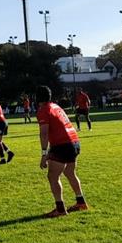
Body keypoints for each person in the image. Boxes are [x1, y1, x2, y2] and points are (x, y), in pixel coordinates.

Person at [36, 86, 87, 217]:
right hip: (74, 141)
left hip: (62, 144)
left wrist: (43, 154)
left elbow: (44, 134)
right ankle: (81, 202)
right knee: (70, 173)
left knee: (53, 176)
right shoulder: (55, 106)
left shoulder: (43, 110)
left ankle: (60, 209)